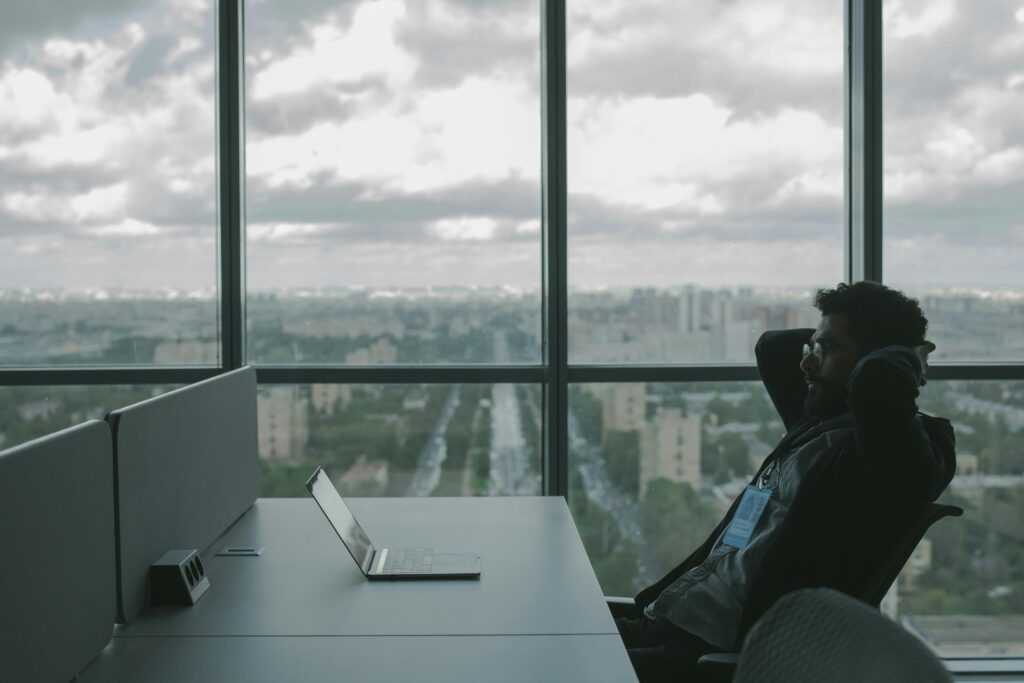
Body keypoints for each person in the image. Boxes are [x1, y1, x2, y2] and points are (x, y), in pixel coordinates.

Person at [615, 281, 956, 682]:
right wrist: (826, 344)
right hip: (665, 622)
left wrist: (902, 357)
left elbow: (877, 383)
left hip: (705, 657)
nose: (807, 364)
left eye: (826, 351)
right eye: (814, 348)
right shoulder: (816, 423)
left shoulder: (890, 460)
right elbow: (772, 348)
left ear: (873, 364)